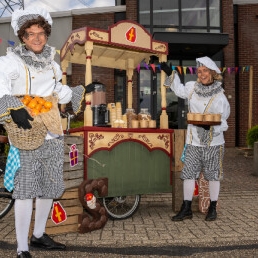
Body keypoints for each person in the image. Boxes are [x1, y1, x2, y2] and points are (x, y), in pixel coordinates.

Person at [0, 7, 93, 258]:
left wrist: (79, 91)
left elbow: (58, 92)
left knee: (49, 186)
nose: (37, 38)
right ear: (22, 37)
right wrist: (11, 105)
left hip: (52, 130)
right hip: (26, 132)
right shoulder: (11, 62)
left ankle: (39, 235)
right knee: (26, 189)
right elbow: (0, 84)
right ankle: (21, 247)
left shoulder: (52, 64)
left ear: (47, 34)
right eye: (31, 34)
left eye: (41, 33)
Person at [161, 57, 230, 222]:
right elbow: (178, 90)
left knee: (213, 175)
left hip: (214, 142)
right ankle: (186, 208)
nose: (202, 74)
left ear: (212, 73)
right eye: (199, 71)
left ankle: (212, 207)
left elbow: (224, 120)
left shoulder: (220, 97)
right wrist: (171, 73)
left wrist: (211, 127)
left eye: (205, 71)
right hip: (193, 141)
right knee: (188, 174)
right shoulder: (192, 88)